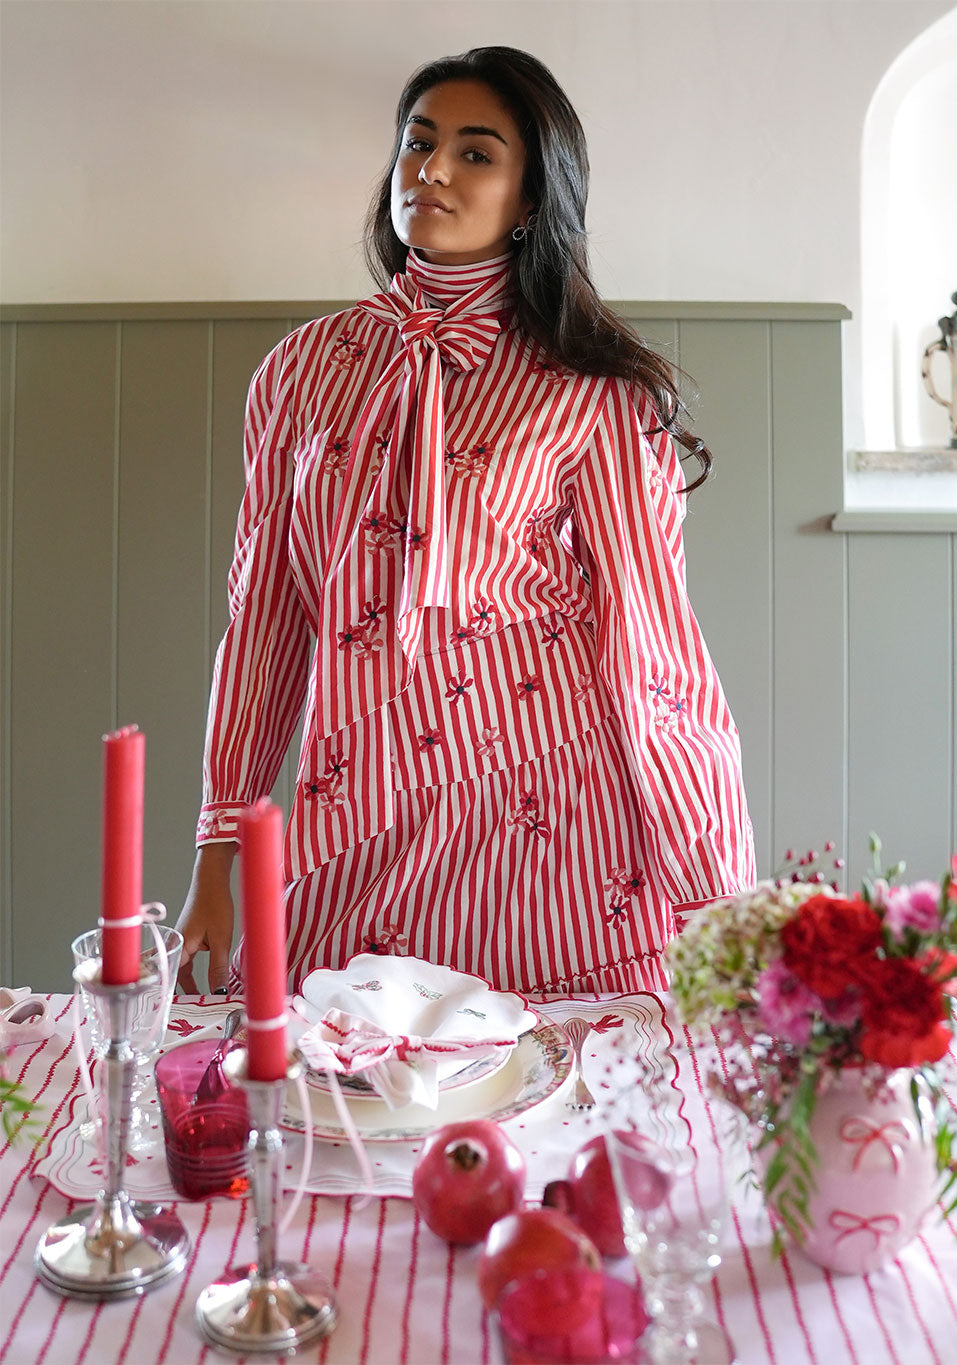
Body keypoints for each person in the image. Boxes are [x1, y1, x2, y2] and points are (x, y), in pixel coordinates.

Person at [176, 45, 755, 998]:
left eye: (476, 153)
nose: (432, 170)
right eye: (419, 143)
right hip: (353, 816)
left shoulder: (594, 396)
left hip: (555, 831)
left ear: (532, 199)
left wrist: (709, 888)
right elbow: (266, 619)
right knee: (345, 1120)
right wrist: (219, 845)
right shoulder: (299, 373)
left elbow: (652, 647)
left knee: (549, 1120)